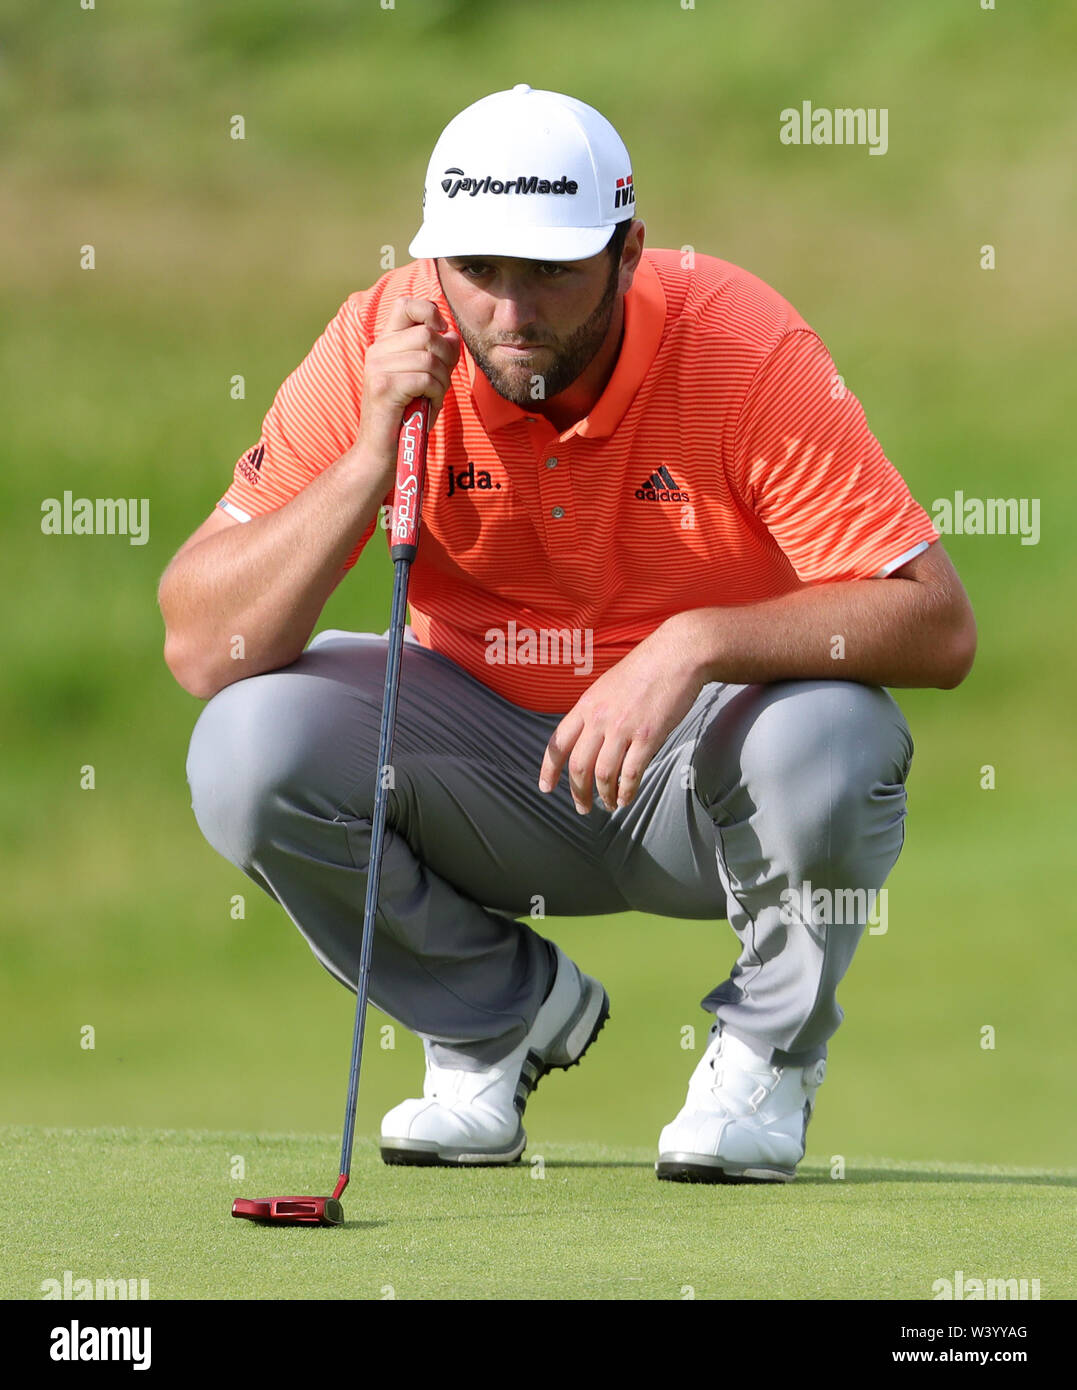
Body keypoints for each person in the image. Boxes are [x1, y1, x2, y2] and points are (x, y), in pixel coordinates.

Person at [159, 85, 976, 1183]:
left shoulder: (737, 341)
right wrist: (367, 456)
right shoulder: (383, 335)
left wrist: (692, 643)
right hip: (484, 777)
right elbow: (203, 648)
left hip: (701, 775)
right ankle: (493, 1019)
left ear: (629, 251)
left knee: (833, 736)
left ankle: (765, 1061)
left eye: (551, 269)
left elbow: (935, 621)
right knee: (245, 743)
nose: (511, 310)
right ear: (433, 260)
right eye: (479, 271)